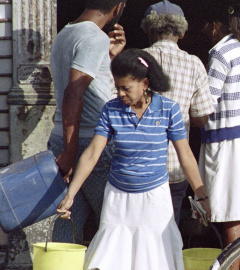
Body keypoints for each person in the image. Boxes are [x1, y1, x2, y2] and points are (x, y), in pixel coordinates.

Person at [57, 49, 211, 269]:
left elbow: (185, 155)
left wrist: (201, 193)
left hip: (155, 198)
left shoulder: (169, 110)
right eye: (117, 87)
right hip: (118, 199)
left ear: (145, 83)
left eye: (126, 88)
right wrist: (70, 193)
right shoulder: (111, 110)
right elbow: (92, 153)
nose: (120, 93)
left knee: (156, 258)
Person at [48, 0, 127, 243]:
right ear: (118, 7)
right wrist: (72, 152)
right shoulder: (95, 37)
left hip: (64, 137)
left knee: (68, 219)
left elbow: (87, 86)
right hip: (90, 143)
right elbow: (75, 92)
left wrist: (109, 58)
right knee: (115, 223)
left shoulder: (66, 33)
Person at [201, 3, 240, 267]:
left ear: (215, 26)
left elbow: (208, 101)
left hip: (226, 141)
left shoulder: (220, 52)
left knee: (229, 214)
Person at [141, 0, 215, 226]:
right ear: (181, 33)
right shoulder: (194, 64)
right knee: (168, 234)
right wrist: (181, 114)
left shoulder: (136, 59)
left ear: (150, 30)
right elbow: (203, 116)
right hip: (176, 167)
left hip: (139, 167)